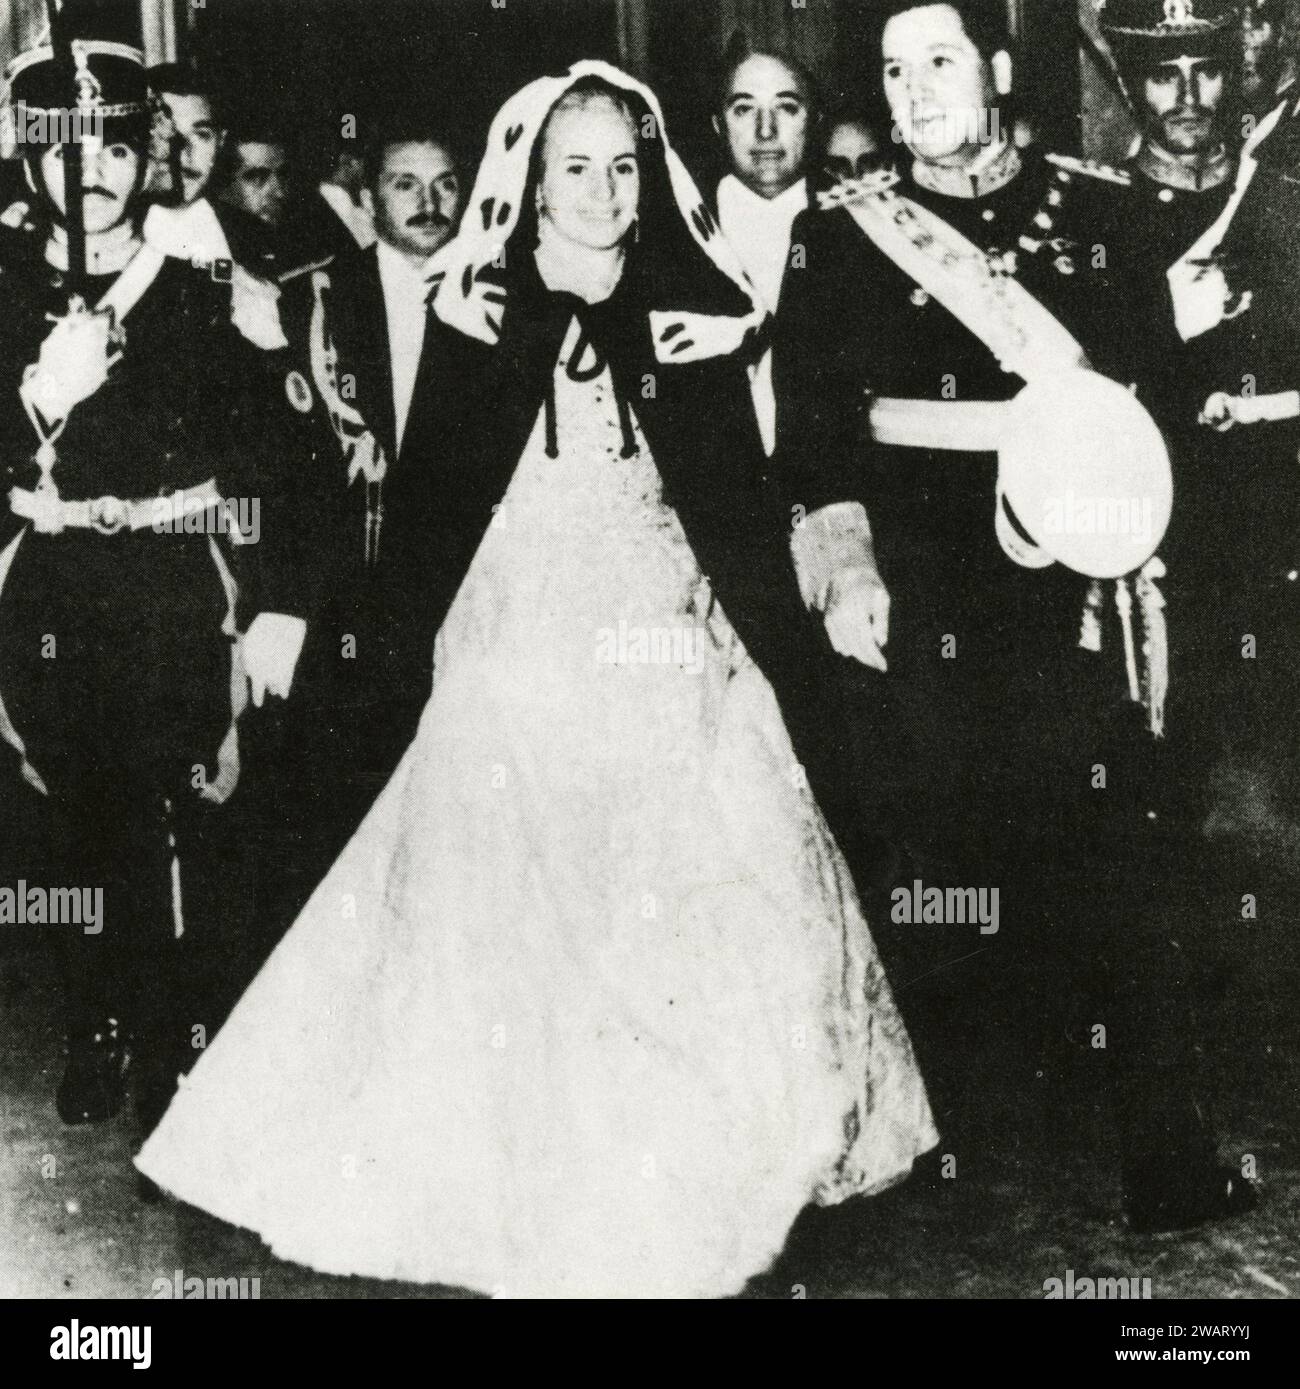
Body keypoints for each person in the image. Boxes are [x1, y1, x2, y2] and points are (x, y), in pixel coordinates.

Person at [136, 62, 937, 1299]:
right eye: (577, 167)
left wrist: (764, 624)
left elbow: (728, 498)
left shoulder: (693, 309)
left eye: (625, 166)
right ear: (530, 179)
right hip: (522, 618)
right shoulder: (480, 313)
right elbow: (430, 517)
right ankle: (535, 1169)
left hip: (665, 619)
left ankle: (702, 1157)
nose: (605, 192)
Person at [776, 0, 1257, 1234]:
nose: (917, 88)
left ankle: (1165, 1153)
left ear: (992, 69)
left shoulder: (1100, 210)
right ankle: (944, 1169)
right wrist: (846, 567)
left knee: (1115, 848)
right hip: (922, 586)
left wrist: (1136, 547)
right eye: (893, 71)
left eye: (939, 60)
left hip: (1070, 583)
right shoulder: (837, 238)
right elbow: (818, 433)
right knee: (945, 880)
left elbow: (1150, 406)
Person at [0, 38, 299, 1138]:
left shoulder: (191, 290)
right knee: (73, 817)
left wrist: (272, 605)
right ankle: (96, 1025)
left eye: (119, 146)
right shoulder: (3, 288)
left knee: (188, 807)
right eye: (68, 152)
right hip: (51, 587)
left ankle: (185, 1032)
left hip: (174, 579)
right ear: (29, 165)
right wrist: (35, 404)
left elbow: (266, 458)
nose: (97, 173)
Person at [256, 120, 467, 930]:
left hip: (465, 592)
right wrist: (285, 602)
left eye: (445, 182)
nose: (427, 202)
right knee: (340, 825)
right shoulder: (311, 297)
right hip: (348, 598)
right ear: (368, 197)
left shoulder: (502, 295)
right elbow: (281, 469)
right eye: (405, 185)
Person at [712, 46, 815, 456]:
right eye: (744, 109)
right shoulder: (680, 235)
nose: (766, 131)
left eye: (786, 108)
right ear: (719, 125)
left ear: (814, 120)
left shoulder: (859, 226)